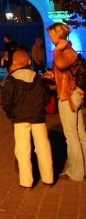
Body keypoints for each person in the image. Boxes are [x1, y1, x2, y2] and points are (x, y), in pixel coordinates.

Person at [1, 49, 54, 190]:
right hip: (38, 117)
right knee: (43, 147)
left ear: (14, 63)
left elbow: (6, 101)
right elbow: (46, 97)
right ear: (29, 61)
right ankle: (48, 178)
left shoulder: (11, 80)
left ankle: (26, 182)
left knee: (23, 149)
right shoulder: (38, 78)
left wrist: (10, 115)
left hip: (20, 118)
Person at [44, 23, 86, 181]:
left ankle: (76, 172)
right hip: (70, 93)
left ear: (58, 34)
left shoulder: (65, 50)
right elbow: (64, 72)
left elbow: (62, 64)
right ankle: (82, 167)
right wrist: (52, 76)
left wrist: (57, 49)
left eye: (51, 34)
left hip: (69, 95)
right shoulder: (66, 51)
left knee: (71, 135)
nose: (50, 37)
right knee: (79, 133)